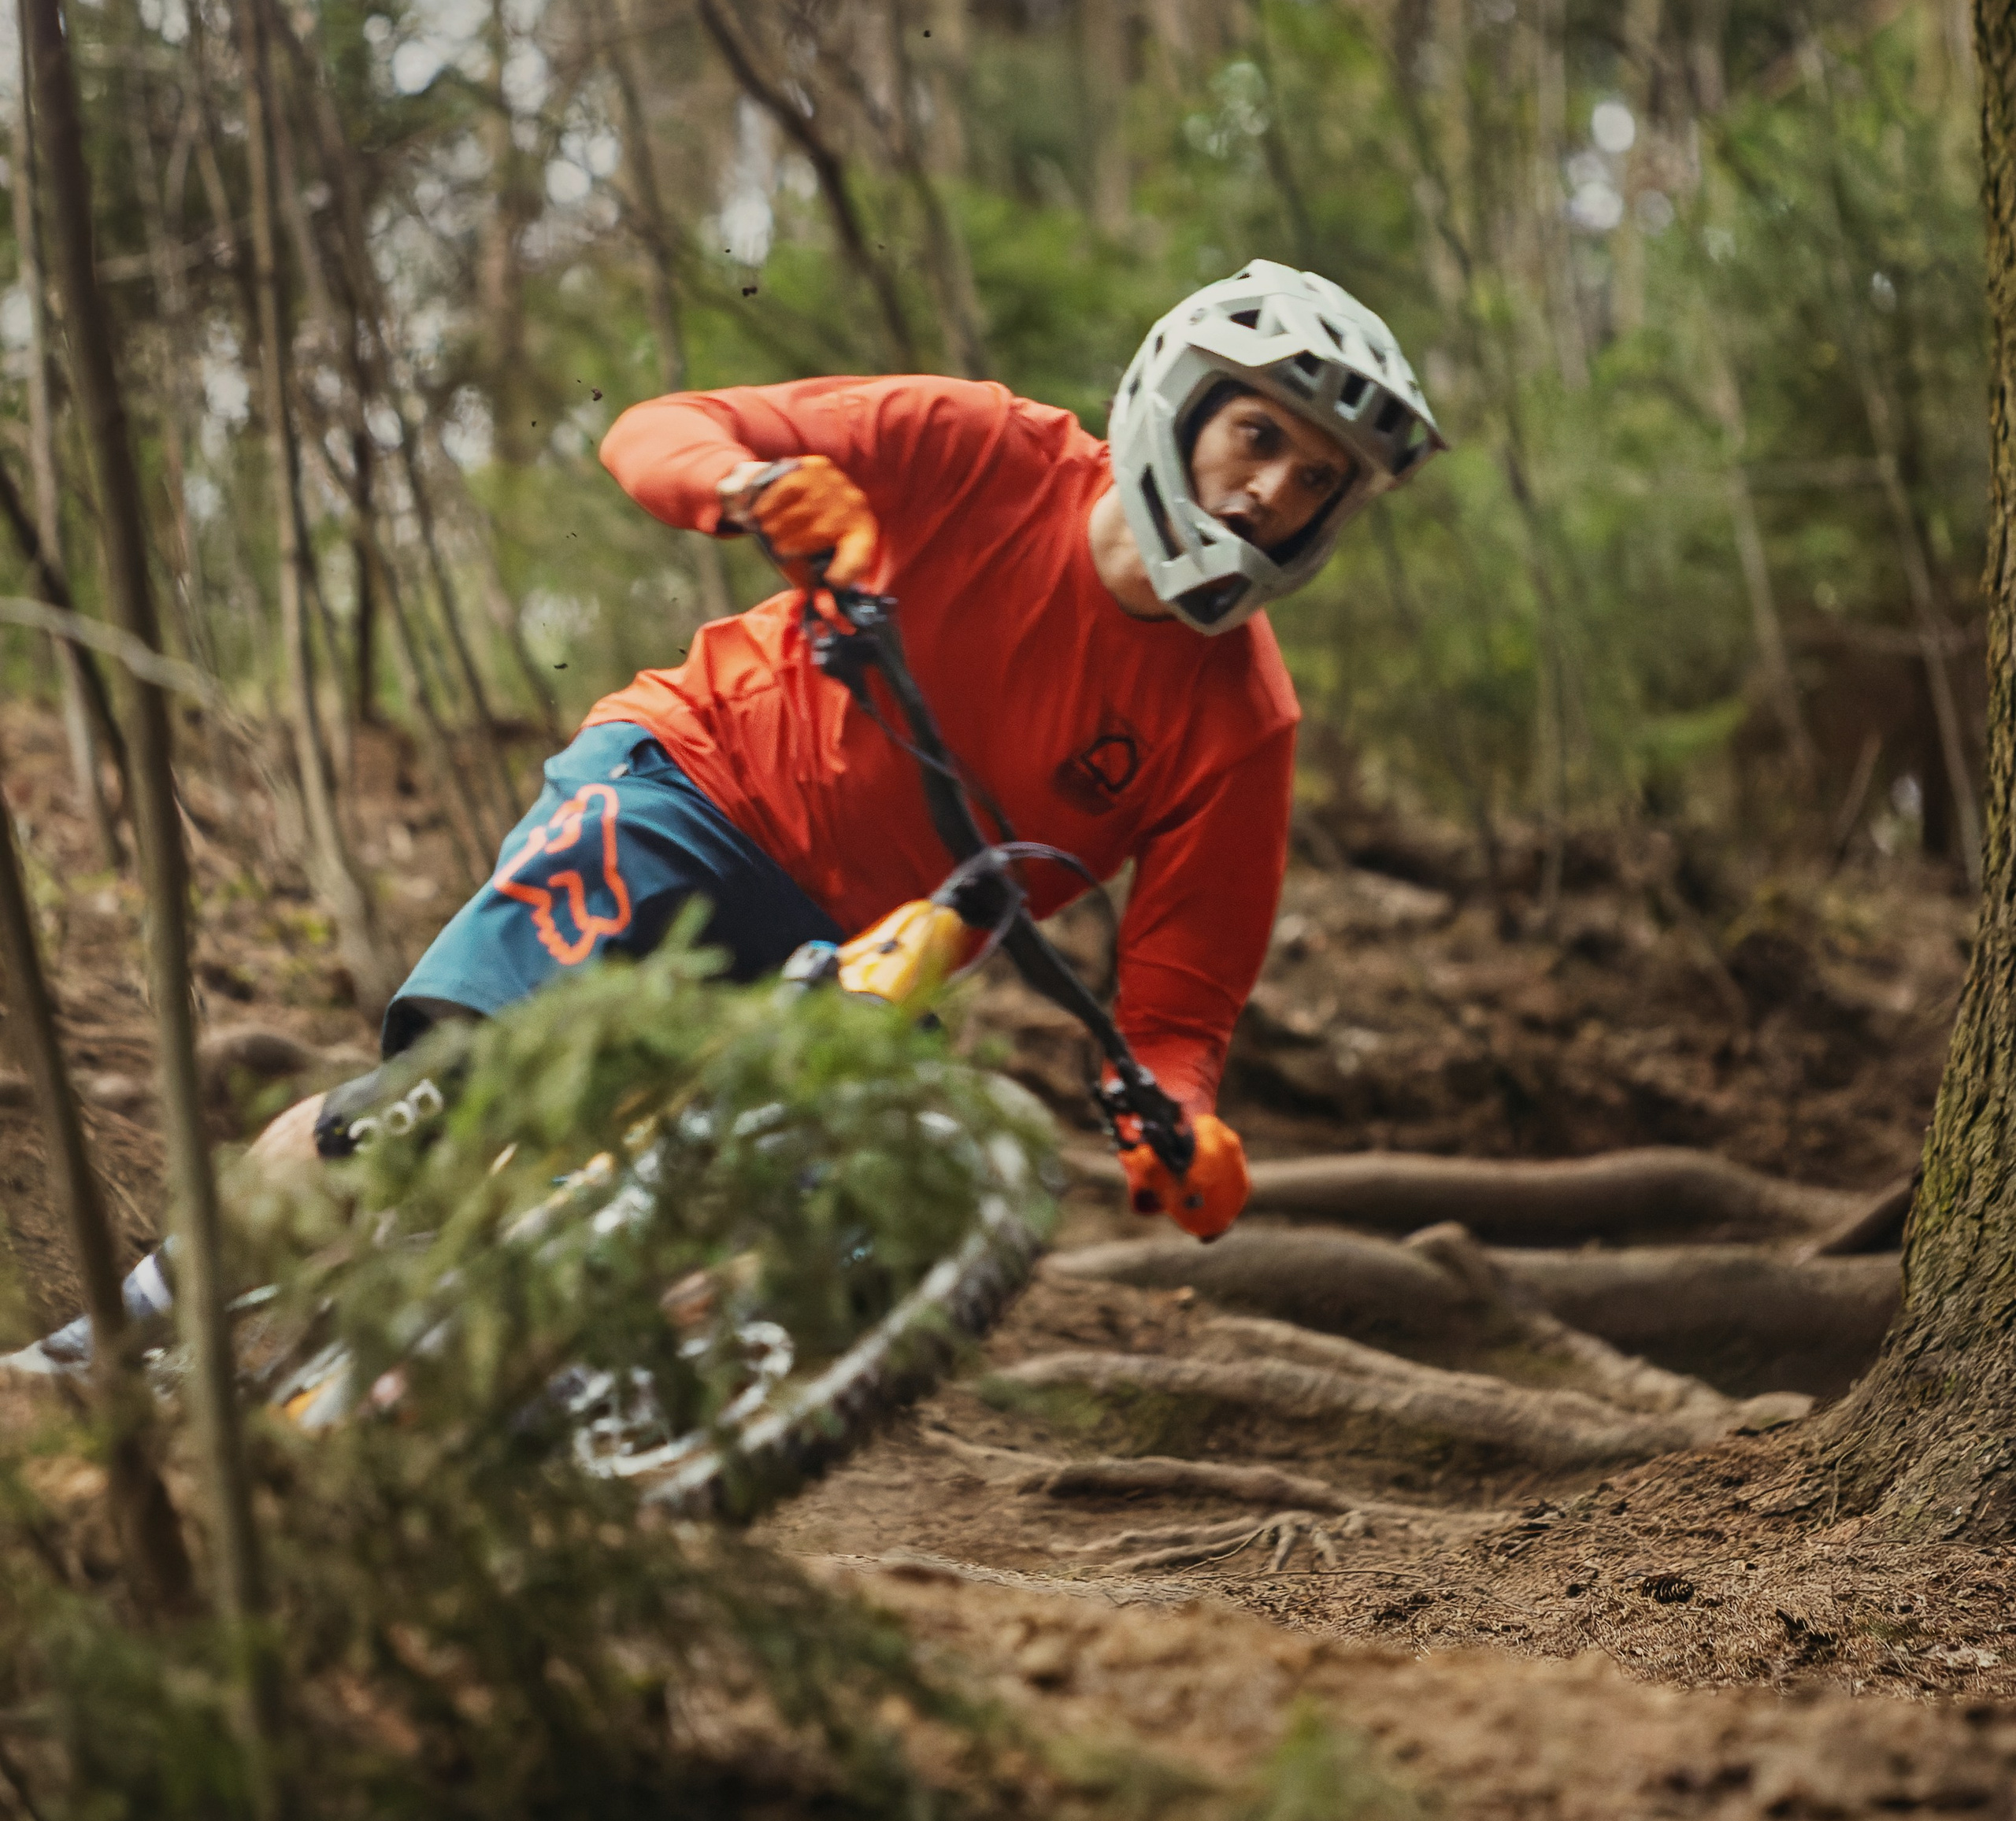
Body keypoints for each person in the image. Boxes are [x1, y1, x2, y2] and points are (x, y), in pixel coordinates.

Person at [5, 259, 1443, 1375]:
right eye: (1259, 437)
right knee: (444, 1107)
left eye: (1316, 481)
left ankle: (472, 1411)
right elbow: (663, 427)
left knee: (849, 1224)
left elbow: (1180, 1011)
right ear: (1178, 399)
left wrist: (1177, 1124)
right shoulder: (976, 449)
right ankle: (99, 1355)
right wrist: (751, 487)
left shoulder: (1242, 722)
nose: (1270, 493)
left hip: (868, 965)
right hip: (683, 798)